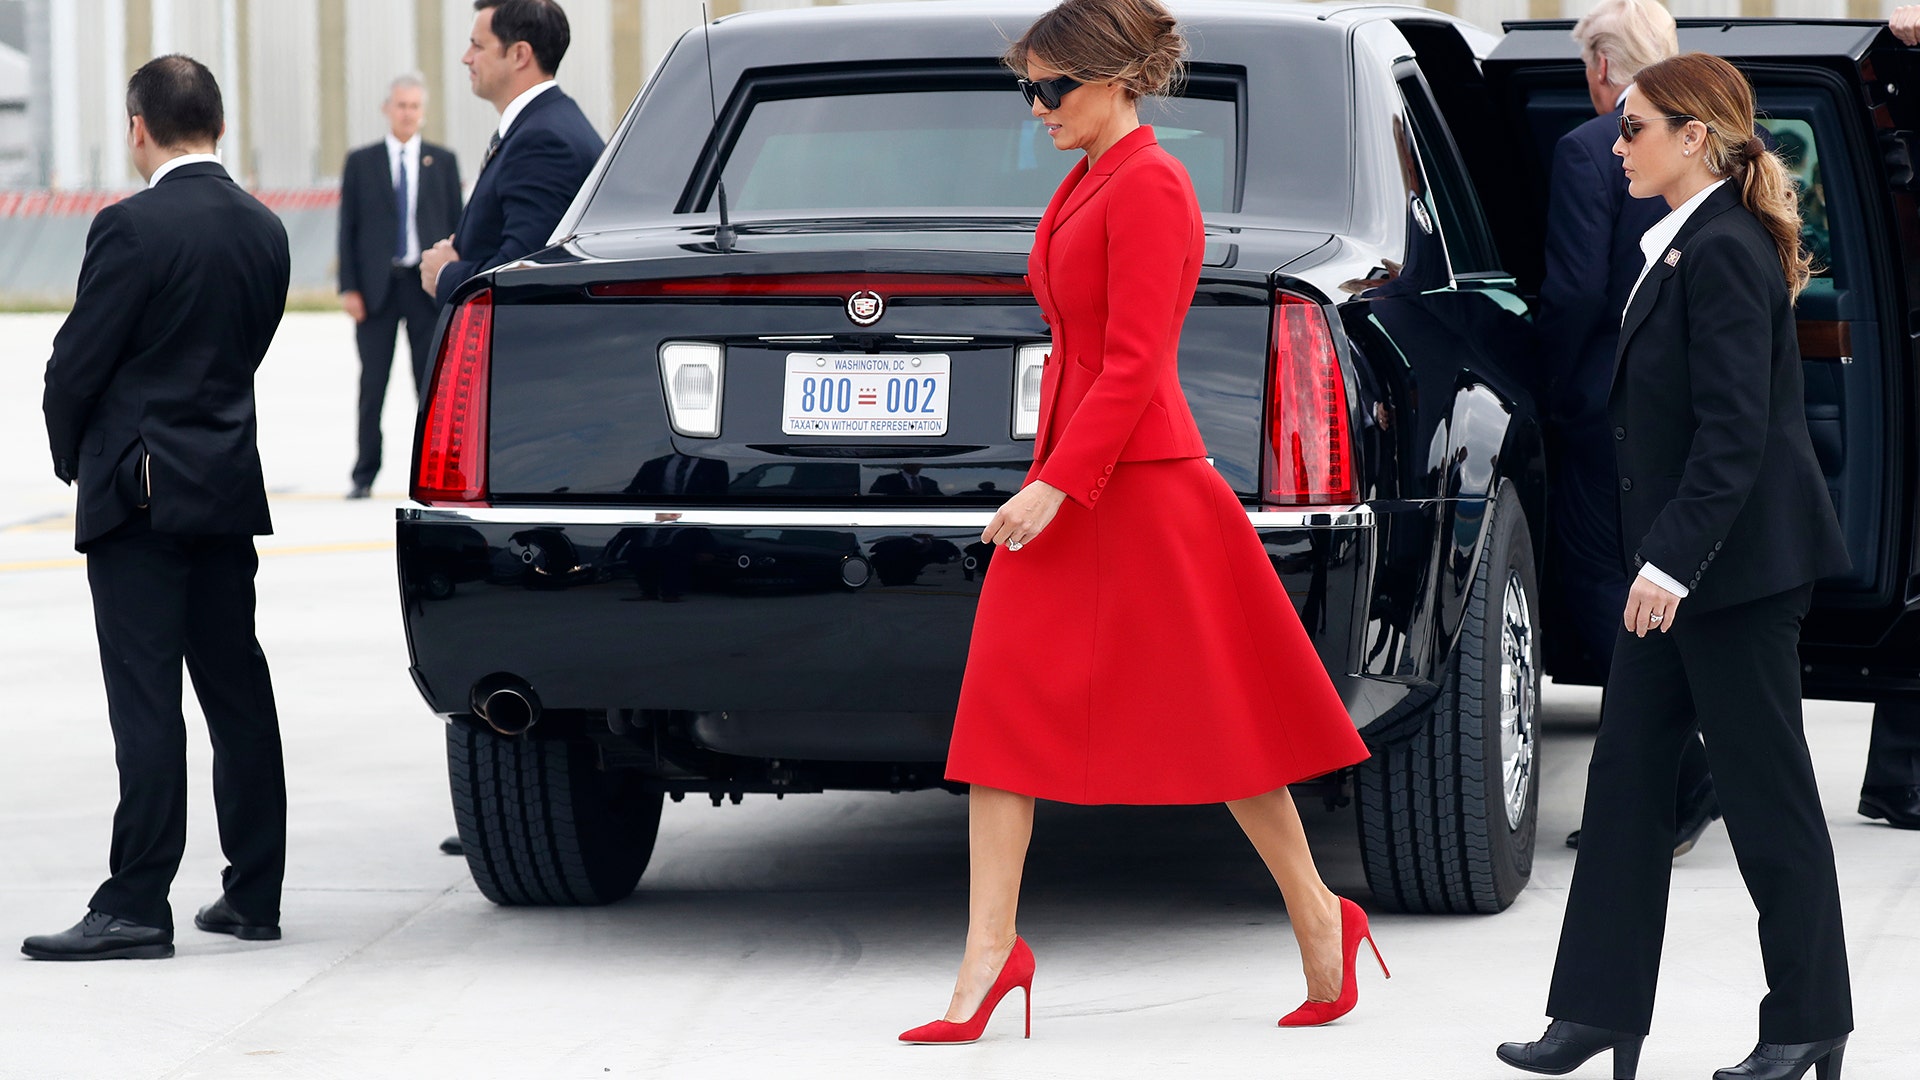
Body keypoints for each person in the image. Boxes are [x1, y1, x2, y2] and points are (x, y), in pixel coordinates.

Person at [898, 0, 1378, 1045]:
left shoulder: (1153, 184)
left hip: (1142, 488)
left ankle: (1318, 915)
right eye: (1028, 88)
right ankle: (989, 956)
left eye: (1052, 88)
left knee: (1225, 728)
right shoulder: (1087, 180)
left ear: (1114, 78)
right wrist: (1056, 476)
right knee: (1003, 713)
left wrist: (1055, 484)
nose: (1037, 108)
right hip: (1083, 482)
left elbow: (1136, 364)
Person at [1498, 53, 1853, 1080]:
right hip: (1682, 567)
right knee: (1624, 788)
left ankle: (1807, 1020)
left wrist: (1673, 564)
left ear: (1694, 136)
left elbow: (1735, 434)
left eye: (1635, 128)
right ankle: (1597, 1015)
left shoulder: (1727, 249)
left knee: (1766, 796)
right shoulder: (1681, 244)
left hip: (1731, 574)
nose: (1616, 146)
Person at [27, 55, 291, 961]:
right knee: (237, 695)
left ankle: (137, 901)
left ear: (139, 127)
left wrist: (76, 460)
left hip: (139, 499)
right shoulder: (266, 230)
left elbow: (75, 367)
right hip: (224, 489)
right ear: (215, 122)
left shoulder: (130, 228)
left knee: (146, 704)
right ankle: (254, 894)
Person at [1537, 0, 1725, 858]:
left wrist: (1543, 374)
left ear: (1605, 70)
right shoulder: (1711, 145)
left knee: (1603, 585)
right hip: (1682, 400)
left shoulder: (1588, 150)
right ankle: (1680, 773)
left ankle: (1677, 778)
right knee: (1670, 576)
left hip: (1599, 407)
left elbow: (1576, 292)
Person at [420, 0, 602, 305]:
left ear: (519, 54)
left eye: (478, 46)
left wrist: (445, 273)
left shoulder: (543, 142)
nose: (466, 58)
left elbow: (521, 274)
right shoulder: (541, 125)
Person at [338, 73, 463, 499]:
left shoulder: (442, 162)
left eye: (414, 106)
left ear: (422, 111)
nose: (407, 113)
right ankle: (363, 473)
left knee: (430, 384)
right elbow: (347, 228)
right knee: (372, 384)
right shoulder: (361, 162)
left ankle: (434, 473)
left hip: (423, 287)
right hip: (376, 289)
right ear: (386, 109)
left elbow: (455, 228)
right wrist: (348, 288)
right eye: (400, 105)